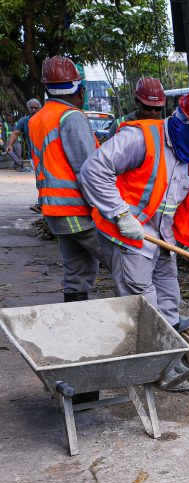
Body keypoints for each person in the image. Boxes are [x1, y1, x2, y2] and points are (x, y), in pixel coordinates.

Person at [80, 90, 189, 391]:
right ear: (185, 124)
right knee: (145, 303)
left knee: (169, 297)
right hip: (128, 236)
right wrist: (121, 214)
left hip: (162, 237)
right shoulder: (140, 139)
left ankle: (171, 360)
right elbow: (93, 170)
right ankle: (155, 370)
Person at [26, 58, 104, 305]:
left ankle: (78, 321)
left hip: (55, 209)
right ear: (79, 89)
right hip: (76, 209)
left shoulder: (36, 119)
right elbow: (89, 170)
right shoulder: (71, 117)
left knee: (78, 269)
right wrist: (108, 209)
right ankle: (154, 319)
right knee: (126, 260)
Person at [101, 77, 165, 141]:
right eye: (147, 107)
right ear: (137, 101)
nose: (153, 112)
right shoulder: (119, 125)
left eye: (157, 108)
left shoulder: (165, 128)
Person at [5, 98, 41, 172]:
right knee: (39, 175)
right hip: (33, 154)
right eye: (31, 108)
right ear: (28, 109)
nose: (34, 109)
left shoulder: (45, 119)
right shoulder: (24, 121)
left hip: (47, 153)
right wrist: (10, 145)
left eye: (36, 108)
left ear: (40, 108)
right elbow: (15, 133)